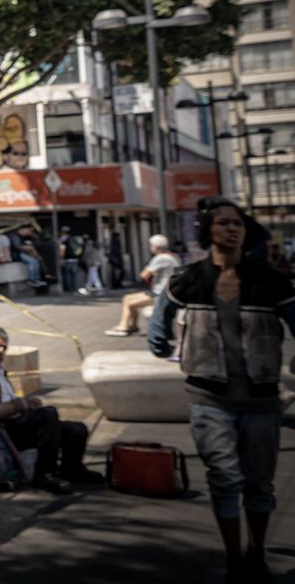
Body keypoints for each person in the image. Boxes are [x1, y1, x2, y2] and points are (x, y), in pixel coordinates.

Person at [148, 197, 295, 583]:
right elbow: (161, 316)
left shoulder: (270, 279)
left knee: (260, 483)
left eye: (238, 224)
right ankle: (234, 559)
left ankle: (256, 553)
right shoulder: (190, 278)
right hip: (208, 398)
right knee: (225, 479)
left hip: (262, 400)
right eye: (224, 223)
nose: (232, 229)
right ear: (208, 231)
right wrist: (160, 345)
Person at [0, 326, 103, 494]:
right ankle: (44, 474)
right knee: (48, 415)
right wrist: (20, 405)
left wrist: (25, 404)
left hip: (14, 420)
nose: (0, 351)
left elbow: (7, 399)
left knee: (76, 429)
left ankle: (72, 469)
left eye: (4, 347)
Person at [104, 234, 180, 337]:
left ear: (155, 247)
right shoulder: (172, 256)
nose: (150, 248)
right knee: (127, 298)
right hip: (166, 291)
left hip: (160, 293)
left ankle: (124, 327)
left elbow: (144, 275)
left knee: (129, 302)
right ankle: (132, 326)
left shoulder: (160, 258)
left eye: (151, 245)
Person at [59, 226, 84, 292]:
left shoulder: (63, 240)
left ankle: (68, 289)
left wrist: (61, 259)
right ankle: (74, 288)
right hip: (75, 260)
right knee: (74, 275)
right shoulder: (74, 239)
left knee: (66, 275)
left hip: (67, 260)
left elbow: (62, 250)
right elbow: (80, 248)